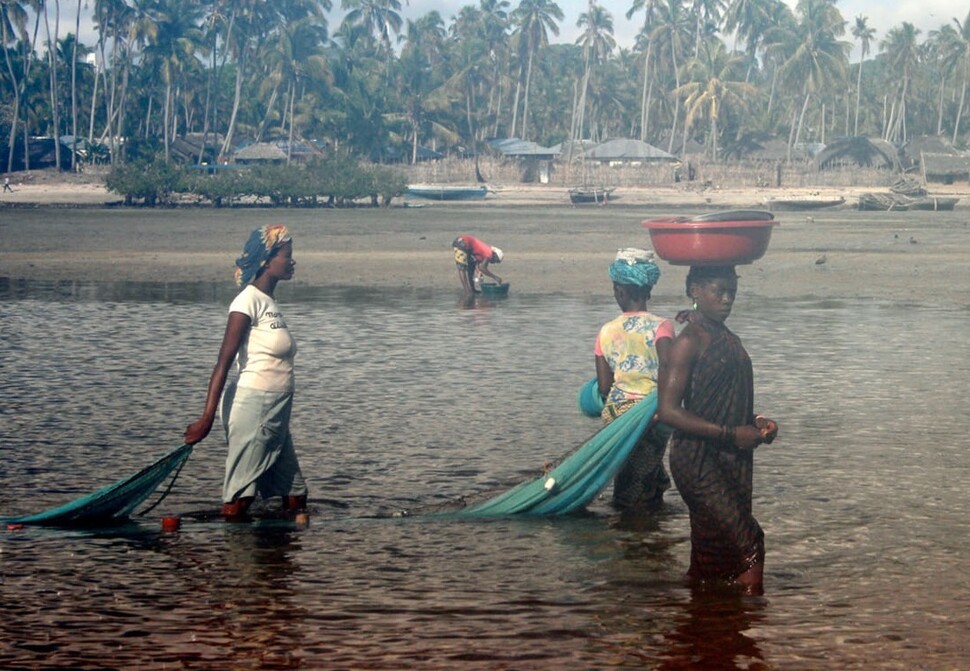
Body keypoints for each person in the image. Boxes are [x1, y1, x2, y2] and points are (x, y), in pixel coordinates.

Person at [656, 265, 779, 594]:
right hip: (696, 459)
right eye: (719, 291)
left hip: (728, 456)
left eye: (732, 293)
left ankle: (704, 623)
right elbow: (667, 410)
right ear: (695, 290)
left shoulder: (727, 338)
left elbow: (721, 398)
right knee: (749, 543)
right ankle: (748, 625)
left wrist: (756, 423)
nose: (727, 300)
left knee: (712, 550)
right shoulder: (689, 341)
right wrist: (731, 434)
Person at [184, 224, 308, 520]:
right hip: (255, 406)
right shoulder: (246, 301)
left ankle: (274, 560)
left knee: (295, 498)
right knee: (239, 500)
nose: (292, 261)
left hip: (276, 410)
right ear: (266, 260)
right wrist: (206, 418)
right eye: (286, 256)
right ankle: (236, 558)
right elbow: (222, 363)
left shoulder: (270, 303)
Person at [595, 248, 675, 513]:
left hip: (617, 414)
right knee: (642, 471)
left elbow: (605, 387)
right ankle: (641, 530)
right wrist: (663, 408)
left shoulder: (606, 331)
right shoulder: (662, 326)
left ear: (619, 291)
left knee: (631, 470)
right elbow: (668, 366)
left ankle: (634, 527)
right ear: (648, 290)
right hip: (653, 413)